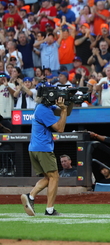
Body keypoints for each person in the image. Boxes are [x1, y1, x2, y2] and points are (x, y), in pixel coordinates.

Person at [21, 83, 74, 216]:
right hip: (43, 148)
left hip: (35, 147)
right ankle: (49, 209)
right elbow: (60, 129)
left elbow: (67, 112)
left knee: (48, 177)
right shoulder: (43, 109)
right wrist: (62, 110)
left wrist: (70, 100)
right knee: (54, 177)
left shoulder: (43, 106)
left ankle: (30, 196)